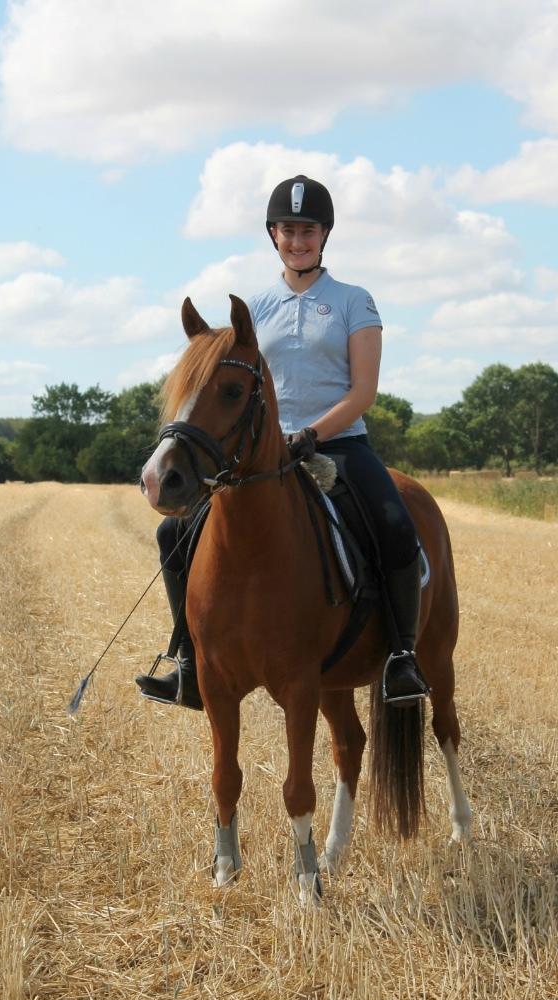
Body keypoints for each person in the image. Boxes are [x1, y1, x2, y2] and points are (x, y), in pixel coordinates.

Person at [136, 174, 428, 707]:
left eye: (308, 230)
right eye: (289, 230)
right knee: (170, 537)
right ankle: (188, 660)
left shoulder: (353, 301)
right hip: (260, 453)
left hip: (338, 444)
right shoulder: (254, 308)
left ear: (325, 235)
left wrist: (313, 433)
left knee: (393, 522)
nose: (299, 241)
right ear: (273, 234)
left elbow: (363, 391)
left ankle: (401, 657)